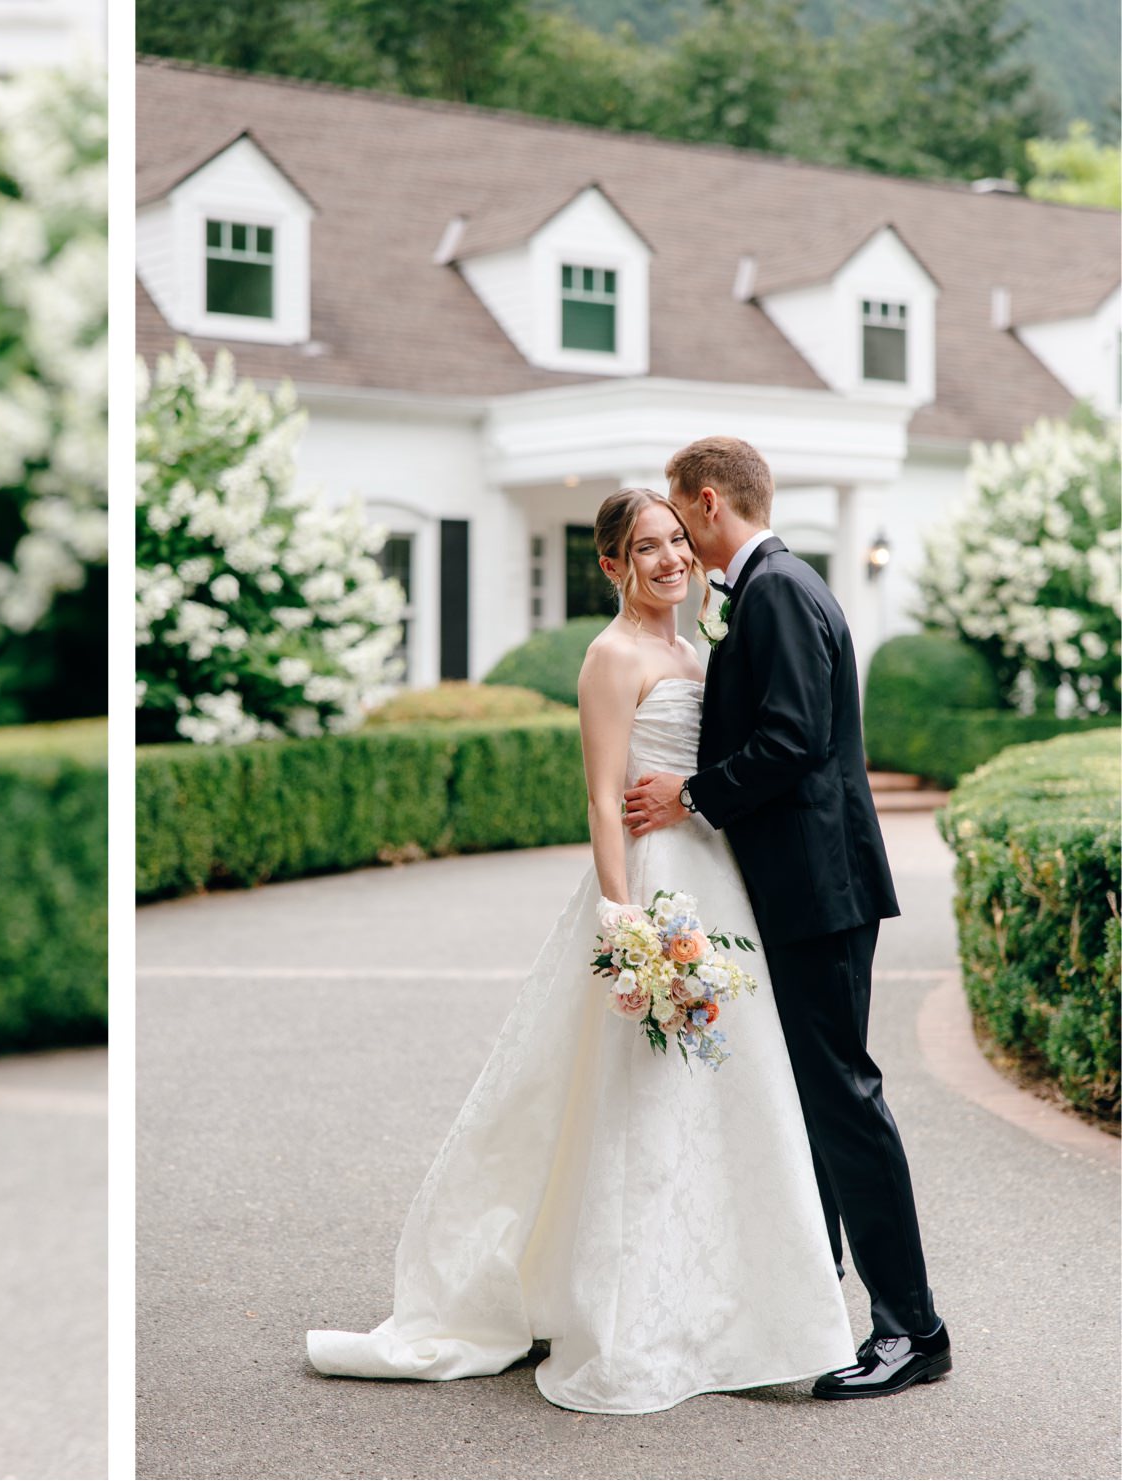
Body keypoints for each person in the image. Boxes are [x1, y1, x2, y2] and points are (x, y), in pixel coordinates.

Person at [306, 486, 857, 1414]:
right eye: (647, 548)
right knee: (639, 1100)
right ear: (611, 565)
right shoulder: (609, 657)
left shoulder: (694, 646)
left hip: (721, 882)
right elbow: (605, 798)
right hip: (651, 885)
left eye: (678, 541)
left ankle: (739, 1307)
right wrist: (623, 917)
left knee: (738, 1091)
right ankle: (630, 1307)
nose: (671, 559)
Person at [624, 435, 948, 1400]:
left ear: (710, 502)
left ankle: (913, 1327)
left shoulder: (777, 592)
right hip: (802, 887)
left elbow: (795, 739)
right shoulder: (768, 590)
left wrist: (693, 792)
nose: (678, 537)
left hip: (821, 888)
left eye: (681, 517)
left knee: (844, 1098)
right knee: (814, 1101)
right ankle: (817, 1303)